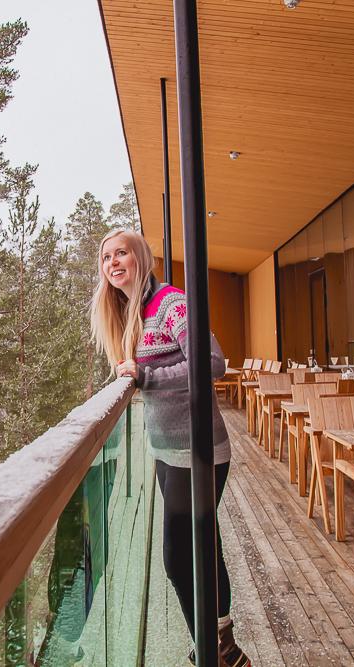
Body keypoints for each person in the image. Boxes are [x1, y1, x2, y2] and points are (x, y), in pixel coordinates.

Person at [89, 228, 250, 667]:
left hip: (198, 452)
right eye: (106, 258)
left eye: (121, 253)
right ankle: (223, 647)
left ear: (141, 258)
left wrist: (146, 377)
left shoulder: (171, 304)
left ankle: (212, 650)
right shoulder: (129, 312)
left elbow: (212, 363)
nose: (113, 262)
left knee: (177, 556)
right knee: (203, 543)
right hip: (166, 451)